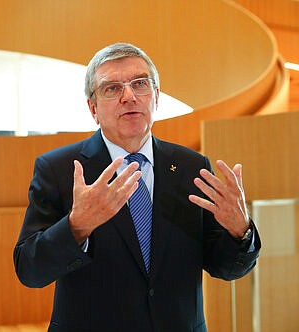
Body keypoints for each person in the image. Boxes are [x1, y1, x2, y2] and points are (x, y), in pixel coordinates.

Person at [13, 42, 261, 332]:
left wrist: (239, 232)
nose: (129, 96)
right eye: (112, 88)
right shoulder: (59, 169)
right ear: (93, 108)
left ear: (155, 97)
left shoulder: (191, 166)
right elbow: (29, 270)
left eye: (140, 84)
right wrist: (76, 227)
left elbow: (226, 267)